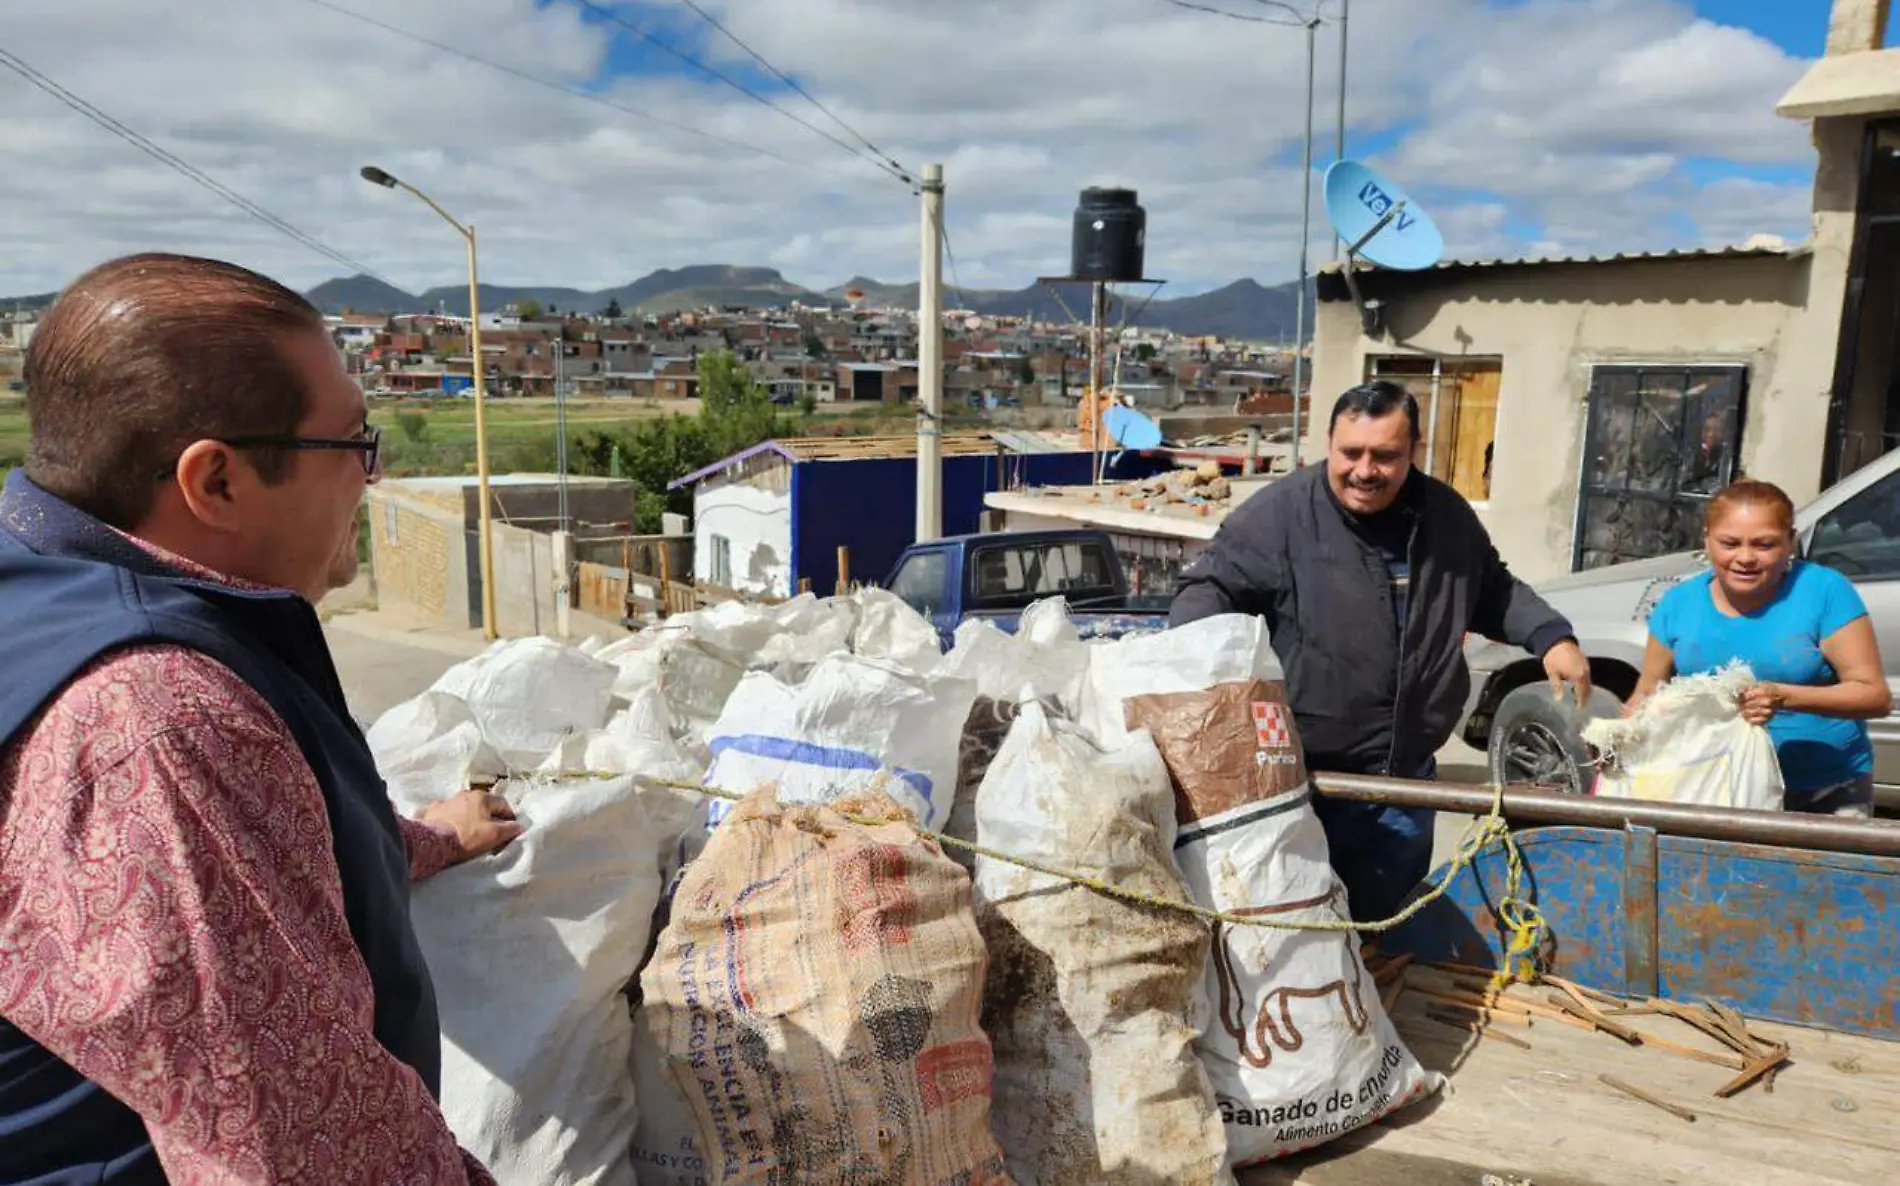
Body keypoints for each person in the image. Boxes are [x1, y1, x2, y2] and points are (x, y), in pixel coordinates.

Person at [0, 253, 521, 1182]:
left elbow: (235, 874)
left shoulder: (45, 586)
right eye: (357, 444)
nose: (372, 478)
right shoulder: (156, 724)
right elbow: (307, 1151)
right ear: (219, 483)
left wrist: (426, 838)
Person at [1171, 380, 1591, 924]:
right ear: (1330, 442)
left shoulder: (1444, 515)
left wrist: (1551, 636)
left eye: (1385, 456)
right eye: (1351, 453)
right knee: (1295, 930)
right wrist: (1197, 669)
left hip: (1405, 784)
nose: (1365, 470)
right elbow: (1208, 589)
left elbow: (1491, 589)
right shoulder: (1279, 516)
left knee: (1387, 928)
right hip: (1307, 784)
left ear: (1413, 450)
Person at [1626, 479, 1891, 817]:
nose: (1746, 558)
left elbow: (1874, 696)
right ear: (1707, 540)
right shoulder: (1678, 603)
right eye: (1730, 543)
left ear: (1789, 542)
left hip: (1823, 791)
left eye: (1765, 544)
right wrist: (1619, 736)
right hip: (1715, 791)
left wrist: (1783, 697)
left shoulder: (1825, 592)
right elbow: (1648, 693)